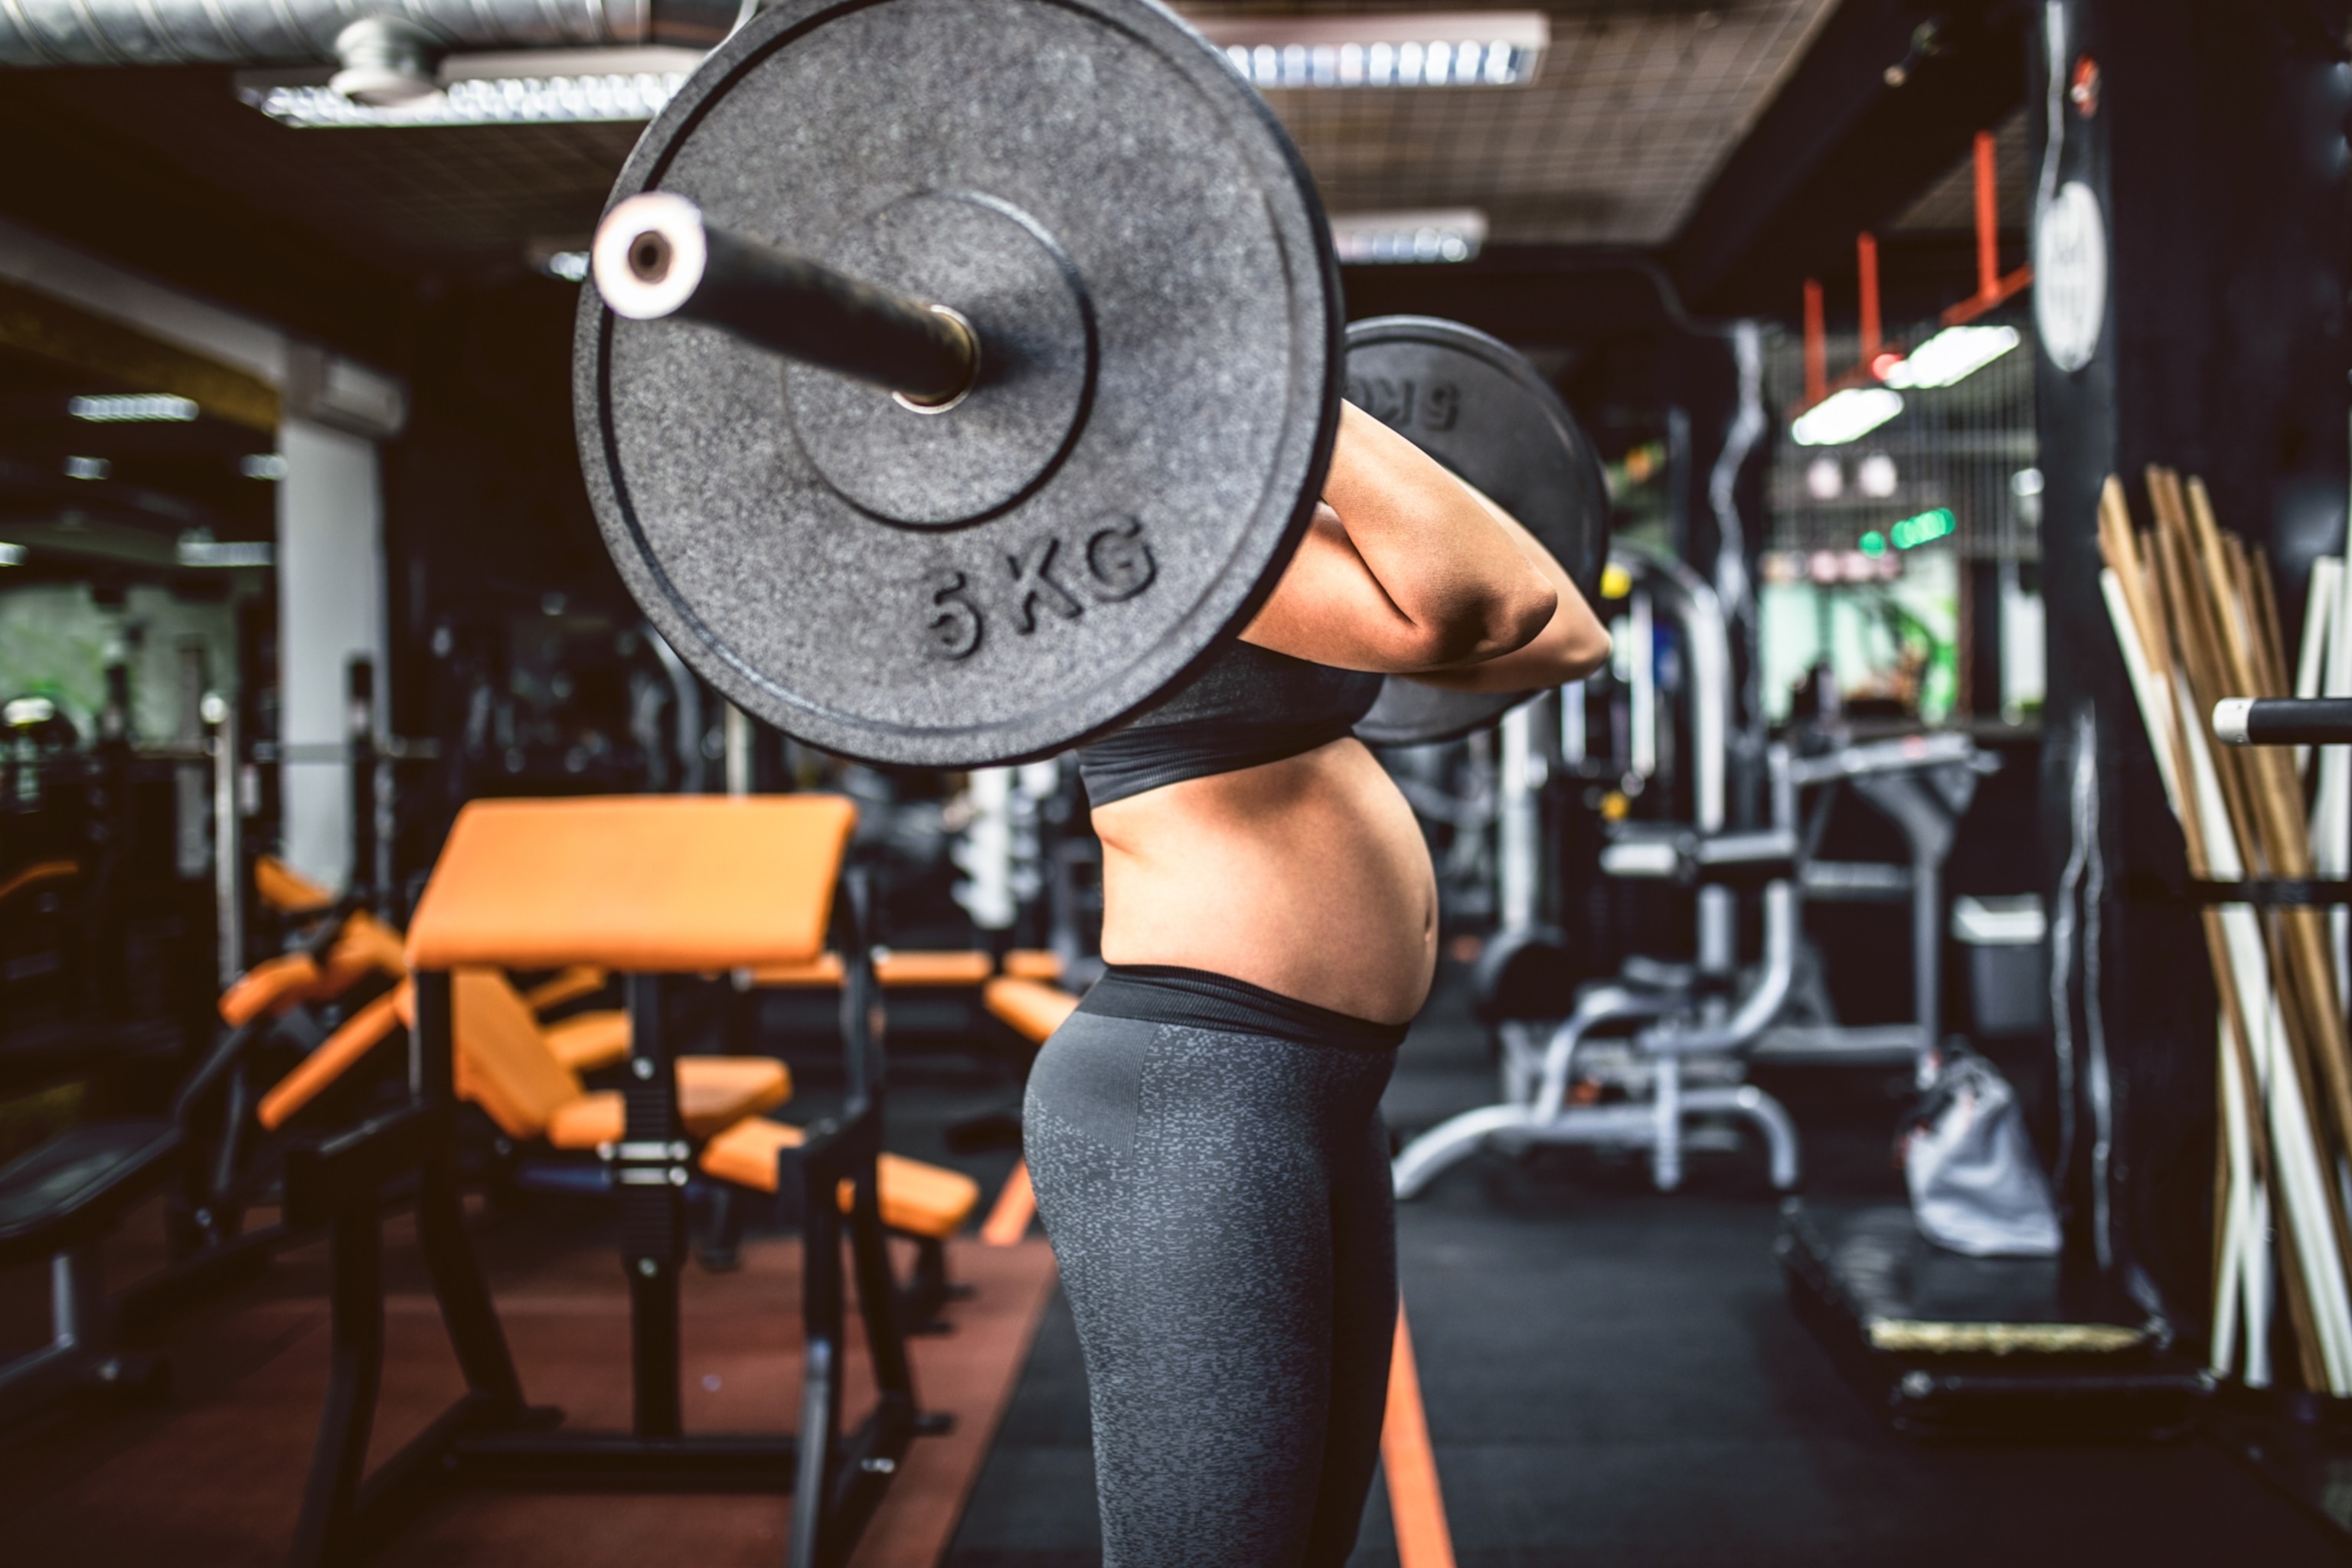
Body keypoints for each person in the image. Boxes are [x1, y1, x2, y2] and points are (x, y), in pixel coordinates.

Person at [1022, 400, 1612, 1566]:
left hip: (1309, 1095)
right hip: (1192, 1098)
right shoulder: (1143, 523)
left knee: (1303, 1545)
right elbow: (1482, 602)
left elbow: (1571, 633)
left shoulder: (1241, 516)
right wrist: (1309, 390)